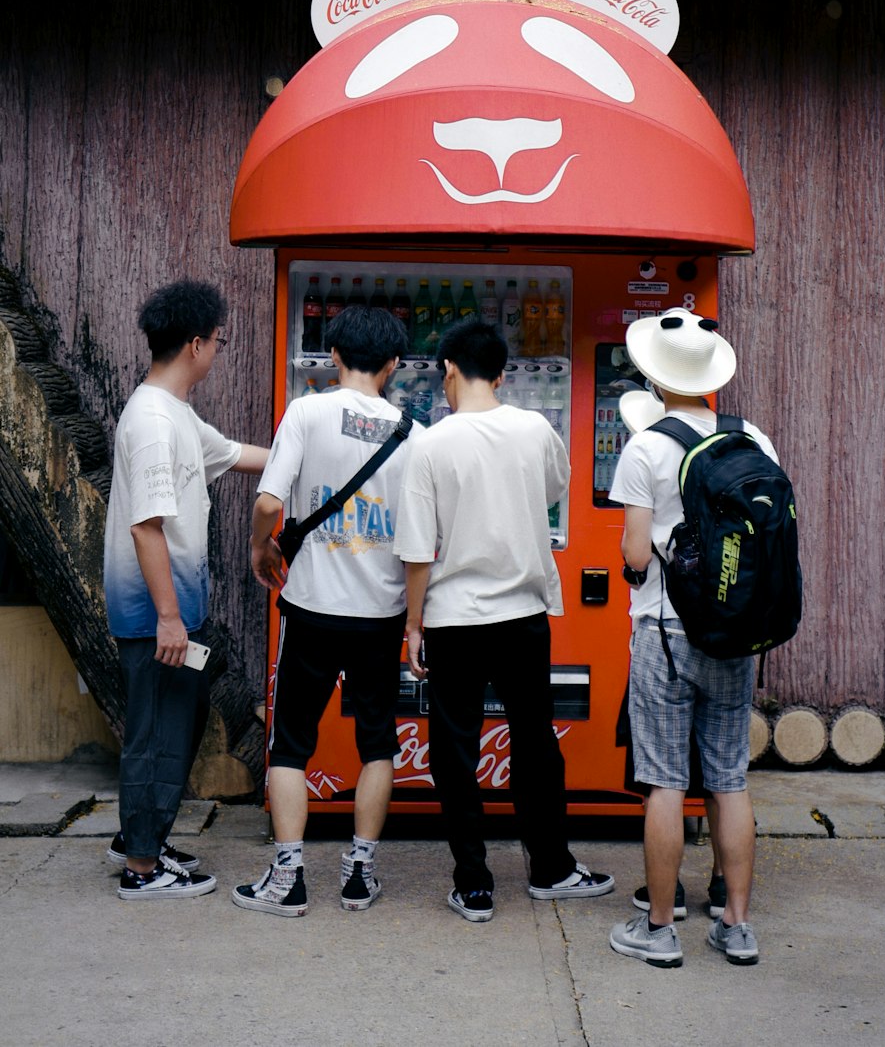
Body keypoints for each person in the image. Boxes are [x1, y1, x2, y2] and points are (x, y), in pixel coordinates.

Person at [393, 319, 614, 923]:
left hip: (454, 620)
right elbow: (551, 491)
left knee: (454, 749)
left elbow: (417, 550)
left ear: (448, 372)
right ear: (501, 373)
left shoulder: (429, 444)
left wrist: (413, 627)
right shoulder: (536, 428)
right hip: (524, 614)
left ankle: (474, 883)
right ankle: (551, 868)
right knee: (536, 741)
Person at [233, 304, 413, 918]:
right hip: (381, 611)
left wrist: (263, 547)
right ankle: (359, 873)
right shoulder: (414, 432)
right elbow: (421, 539)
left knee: (290, 744)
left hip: (311, 607)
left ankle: (288, 878)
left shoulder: (308, 411)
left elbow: (267, 503)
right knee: (378, 744)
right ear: (392, 364)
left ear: (333, 355)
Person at [608, 307, 776, 967]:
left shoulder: (646, 446)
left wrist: (639, 564)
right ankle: (735, 925)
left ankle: (658, 928)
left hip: (664, 631)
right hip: (736, 634)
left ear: (653, 375)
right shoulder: (751, 436)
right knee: (729, 778)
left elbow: (635, 554)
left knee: (665, 780)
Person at [104, 279, 269, 899]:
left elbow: (230, 453)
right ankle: (141, 869)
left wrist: (306, 455)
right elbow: (146, 528)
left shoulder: (173, 412)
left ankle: (143, 838)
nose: (218, 351)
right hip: (156, 614)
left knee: (173, 727)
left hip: (172, 611)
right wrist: (170, 619)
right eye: (218, 341)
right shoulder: (151, 421)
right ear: (195, 344)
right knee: (156, 737)